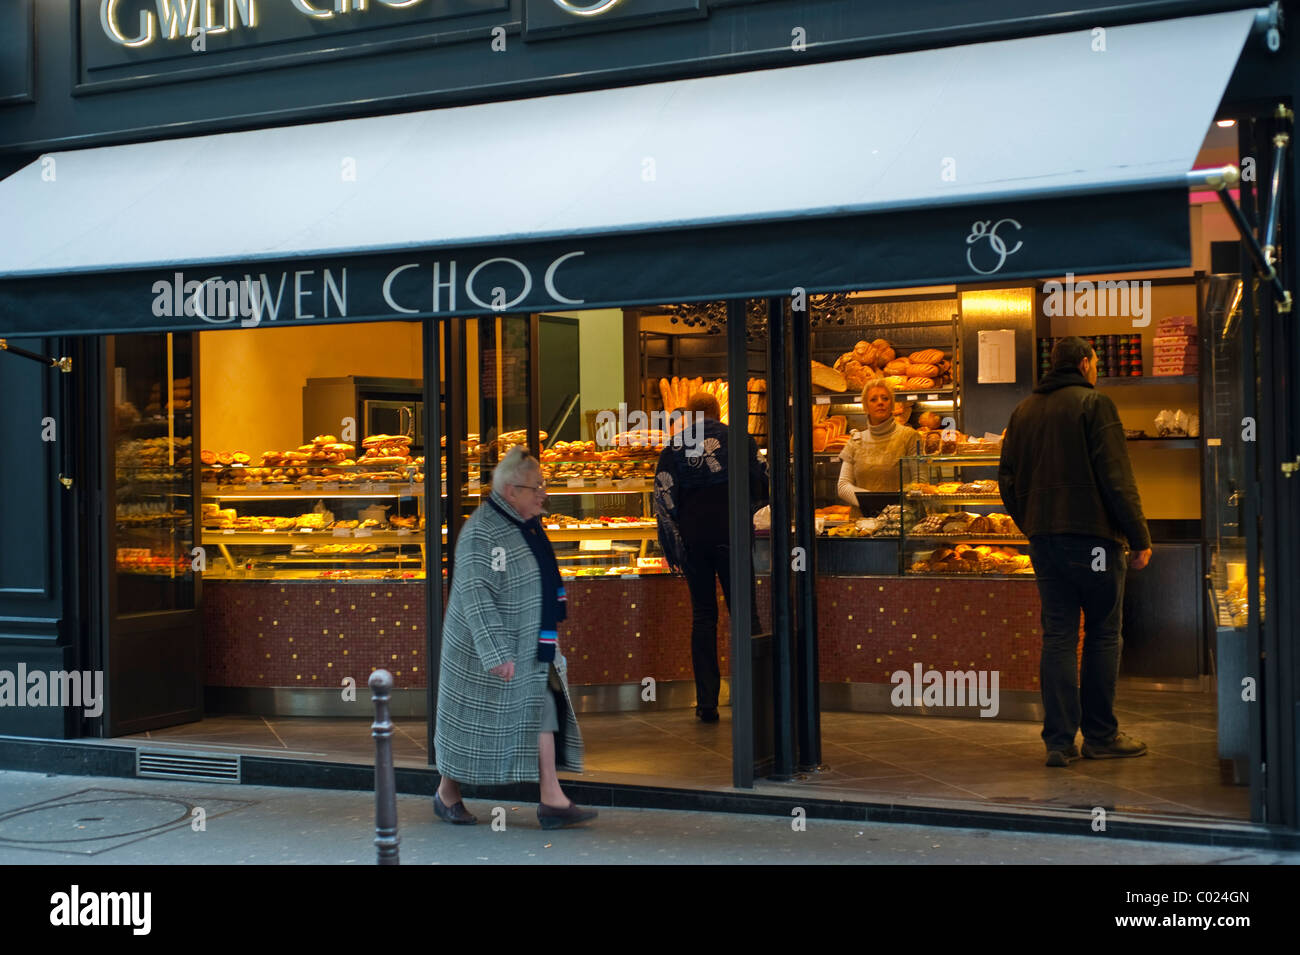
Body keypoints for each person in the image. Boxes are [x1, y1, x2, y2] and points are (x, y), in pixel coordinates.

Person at [998, 336, 1153, 768]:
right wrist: (1138, 536)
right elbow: (1117, 477)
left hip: (1044, 541)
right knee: (1103, 633)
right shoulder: (1095, 404)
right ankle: (1101, 735)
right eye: (1096, 365)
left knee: (1059, 636)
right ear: (1086, 364)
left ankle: (1059, 742)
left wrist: (1031, 523)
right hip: (1095, 541)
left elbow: (1005, 480)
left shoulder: (1023, 411)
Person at [433, 445, 597, 829]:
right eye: (536, 486)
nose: (544, 493)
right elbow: (476, 594)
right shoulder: (482, 531)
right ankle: (446, 792)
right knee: (468, 728)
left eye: (544, 484)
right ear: (511, 491)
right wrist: (495, 652)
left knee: (541, 708)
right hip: (480, 653)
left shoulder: (523, 524)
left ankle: (552, 799)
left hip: (525, 645)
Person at [654, 391, 768, 723]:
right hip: (731, 534)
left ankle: (707, 702)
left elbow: (663, 496)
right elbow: (761, 484)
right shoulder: (741, 439)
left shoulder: (674, 446)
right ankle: (753, 695)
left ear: (690, 415)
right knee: (745, 616)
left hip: (693, 541)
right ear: (718, 412)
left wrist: (675, 538)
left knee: (704, 617)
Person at [837, 379, 921, 510]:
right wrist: (875, 502)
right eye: (873, 400)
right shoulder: (855, 440)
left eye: (885, 398)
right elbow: (843, 486)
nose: (880, 402)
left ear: (892, 405)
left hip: (901, 520)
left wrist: (898, 507)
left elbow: (920, 482)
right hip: (862, 524)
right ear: (865, 407)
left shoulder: (909, 436)